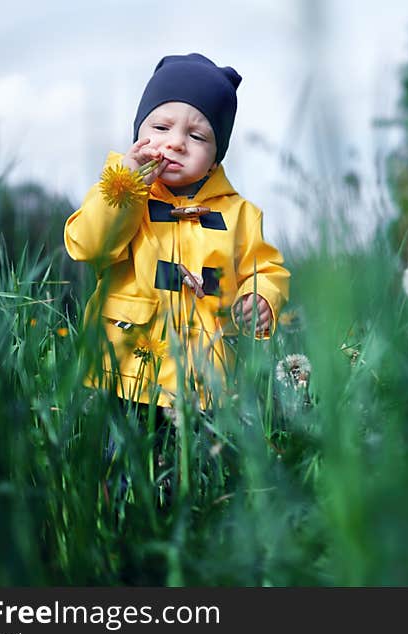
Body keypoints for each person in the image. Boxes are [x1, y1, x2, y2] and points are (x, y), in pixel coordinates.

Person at [65, 53, 290, 413]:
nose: (175, 143)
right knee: (123, 465)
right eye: (160, 128)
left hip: (205, 378)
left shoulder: (239, 214)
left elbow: (266, 270)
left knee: (197, 466)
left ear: (216, 158)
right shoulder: (117, 191)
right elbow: (90, 246)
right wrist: (126, 185)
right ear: (138, 132)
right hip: (125, 370)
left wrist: (260, 297)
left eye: (197, 135)